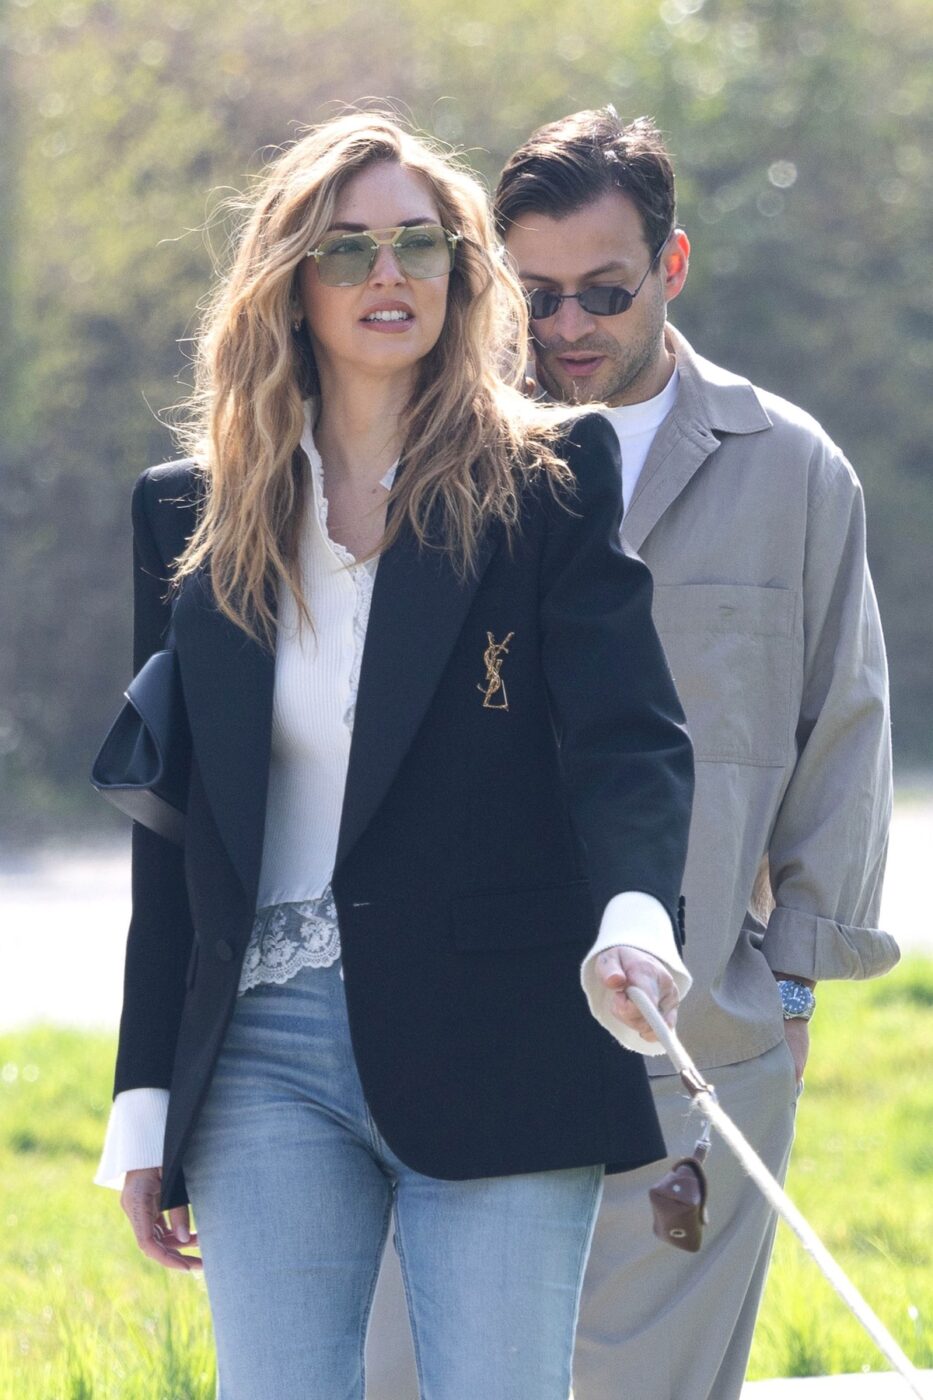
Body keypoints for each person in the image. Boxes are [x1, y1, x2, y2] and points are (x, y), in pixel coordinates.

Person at [93, 112, 697, 1400]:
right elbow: (173, 831)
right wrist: (146, 1096)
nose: (389, 274)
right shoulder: (188, 512)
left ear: (461, 272)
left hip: (503, 1026)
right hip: (260, 1047)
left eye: (420, 244)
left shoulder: (549, 479)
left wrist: (638, 917)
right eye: (348, 248)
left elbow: (628, 739)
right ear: (290, 281)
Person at [363, 109, 899, 1400]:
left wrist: (785, 997)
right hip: (442, 1047)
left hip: (690, 1054)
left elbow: (842, 735)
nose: (564, 328)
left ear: (672, 265)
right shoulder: (411, 461)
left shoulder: (792, 471)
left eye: (603, 292)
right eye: (534, 295)